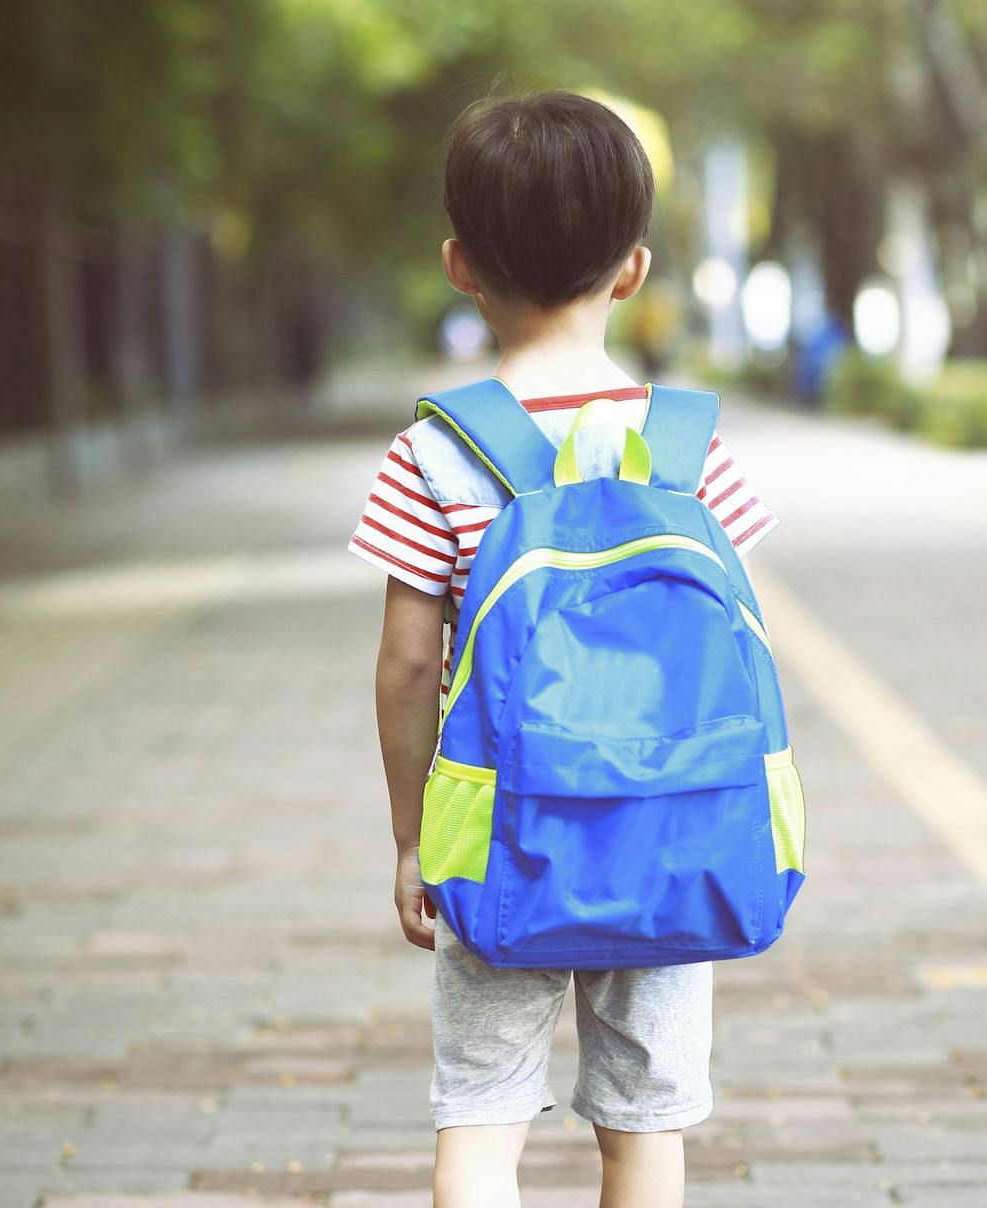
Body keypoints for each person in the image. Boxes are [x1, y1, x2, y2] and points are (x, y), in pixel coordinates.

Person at [349, 89, 780, 1208]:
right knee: (643, 1129)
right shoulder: (689, 448)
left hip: (497, 827)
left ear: (457, 264)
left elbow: (404, 665)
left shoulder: (433, 453)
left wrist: (410, 839)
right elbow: (734, 641)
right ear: (631, 270)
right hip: (671, 826)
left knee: (481, 1112)